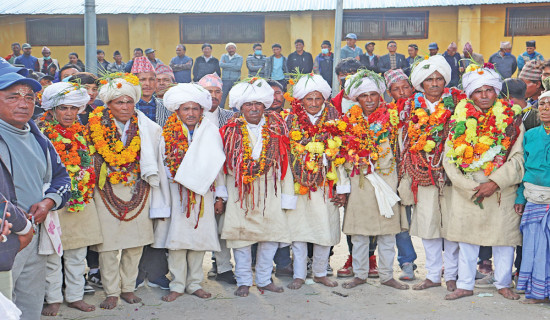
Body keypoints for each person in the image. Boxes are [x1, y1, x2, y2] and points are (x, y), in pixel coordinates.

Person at [87, 72, 170, 310]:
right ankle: (111, 291)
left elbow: (156, 161)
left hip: (138, 189)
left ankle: (128, 289)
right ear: (109, 104)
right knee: (109, 247)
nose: (125, 106)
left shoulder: (148, 127)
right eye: (119, 102)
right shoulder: (95, 125)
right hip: (105, 191)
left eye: (129, 101)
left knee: (134, 244)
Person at [443, 63, 524, 301]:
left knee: (504, 240)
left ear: (497, 92)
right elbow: (448, 160)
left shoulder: (512, 122)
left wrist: (495, 183)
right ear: (470, 94)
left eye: (489, 90)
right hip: (468, 190)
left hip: (501, 191)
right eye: (479, 91)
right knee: (467, 240)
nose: (485, 95)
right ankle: (465, 284)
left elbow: (518, 160)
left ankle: (502, 283)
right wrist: (470, 187)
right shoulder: (458, 121)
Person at [0, 71, 71, 320]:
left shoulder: (38, 137)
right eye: (12, 97)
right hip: (7, 237)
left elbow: (63, 178)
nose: (23, 103)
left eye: (29, 97)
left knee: (30, 304)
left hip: (35, 234)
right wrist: (21, 227)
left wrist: (49, 201)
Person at [333, 69, 408, 291]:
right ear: (356, 98)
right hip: (360, 181)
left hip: (387, 180)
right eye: (364, 96)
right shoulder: (347, 121)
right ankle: (360, 274)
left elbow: (401, 153)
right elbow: (341, 156)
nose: (369, 100)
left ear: (380, 96)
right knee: (359, 234)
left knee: (387, 234)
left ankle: (386, 276)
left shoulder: (393, 119)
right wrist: (345, 185)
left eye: (373, 95)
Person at [221, 77, 296, 297]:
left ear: (264, 105)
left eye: (258, 104)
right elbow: (222, 167)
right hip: (239, 190)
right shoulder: (229, 130)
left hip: (270, 189)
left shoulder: (277, 127)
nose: (253, 108)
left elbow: (285, 163)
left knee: (270, 236)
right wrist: (221, 195)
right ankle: (243, 280)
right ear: (240, 107)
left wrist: (287, 194)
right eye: (248, 104)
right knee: (241, 238)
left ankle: (264, 279)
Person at [154, 83, 226, 302]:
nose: (191, 113)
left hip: (203, 193)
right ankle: (176, 284)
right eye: (186, 109)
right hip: (175, 192)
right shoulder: (164, 132)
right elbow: (159, 164)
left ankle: (194, 283)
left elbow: (218, 166)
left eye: (195, 109)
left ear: (201, 111)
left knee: (199, 239)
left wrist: (220, 195)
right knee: (176, 239)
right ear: (177, 111)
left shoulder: (210, 131)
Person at [38, 82, 103, 316]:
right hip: (53, 202)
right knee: (52, 254)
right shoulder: (41, 132)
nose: (69, 113)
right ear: (53, 110)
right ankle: (53, 298)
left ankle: (75, 296)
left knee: (77, 253)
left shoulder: (82, 131)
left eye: (73, 108)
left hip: (81, 199)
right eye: (63, 108)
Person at [400, 55, 462, 292]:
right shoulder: (409, 106)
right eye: (429, 80)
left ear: (444, 81)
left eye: (438, 79)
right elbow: (403, 142)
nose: (435, 83)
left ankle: (453, 275)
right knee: (428, 227)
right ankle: (433, 276)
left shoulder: (458, 104)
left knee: (452, 227)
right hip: (422, 176)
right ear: (421, 84)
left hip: (452, 177)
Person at [285, 74, 340, 290]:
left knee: (323, 229)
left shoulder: (335, 120)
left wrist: (340, 186)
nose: (315, 104)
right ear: (301, 101)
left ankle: (319, 273)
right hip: (298, 184)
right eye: (309, 99)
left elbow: (341, 154)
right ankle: (299, 275)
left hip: (325, 184)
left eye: (318, 99)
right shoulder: (289, 120)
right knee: (299, 230)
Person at [197, 73, 236, 283]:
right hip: (197, 180)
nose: (213, 96)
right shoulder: (191, 115)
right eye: (208, 92)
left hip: (225, 180)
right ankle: (191, 273)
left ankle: (223, 268)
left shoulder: (231, 117)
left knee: (222, 227)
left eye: (217, 91)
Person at [515, 90, 550, 304]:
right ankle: (537, 292)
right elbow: (523, 169)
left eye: (549, 103)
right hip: (533, 198)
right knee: (533, 246)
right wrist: (521, 197)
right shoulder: (530, 135)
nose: (545, 108)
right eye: (542, 104)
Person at [383, 69, 417, 280]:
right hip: (398, 173)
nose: (402, 92)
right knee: (401, 219)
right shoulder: (386, 113)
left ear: (413, 88)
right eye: (396, 89)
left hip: (425, 172)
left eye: (406, 87)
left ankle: (448, 264)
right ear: (389, 93)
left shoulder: (424, 108)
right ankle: (407, 262)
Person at [131, 56, 172, 127]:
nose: (148, 84)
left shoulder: (166, 106)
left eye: (151, 79)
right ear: (134, 81)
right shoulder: (128, 105)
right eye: (143, 80)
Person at [219, 43, 243, 108]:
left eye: (232, 48)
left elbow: (238, 67)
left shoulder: (239, 57)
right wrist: (233, 65)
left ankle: (235, 113)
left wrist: (226, 64)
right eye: (229, 48)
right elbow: (221, 64)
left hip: (235, 80)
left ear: (235, 49)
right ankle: (220, 112)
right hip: (225, 80)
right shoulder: (223, 56)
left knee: (235, 97)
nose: (231, 50)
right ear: (227, 50)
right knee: (222, 97)